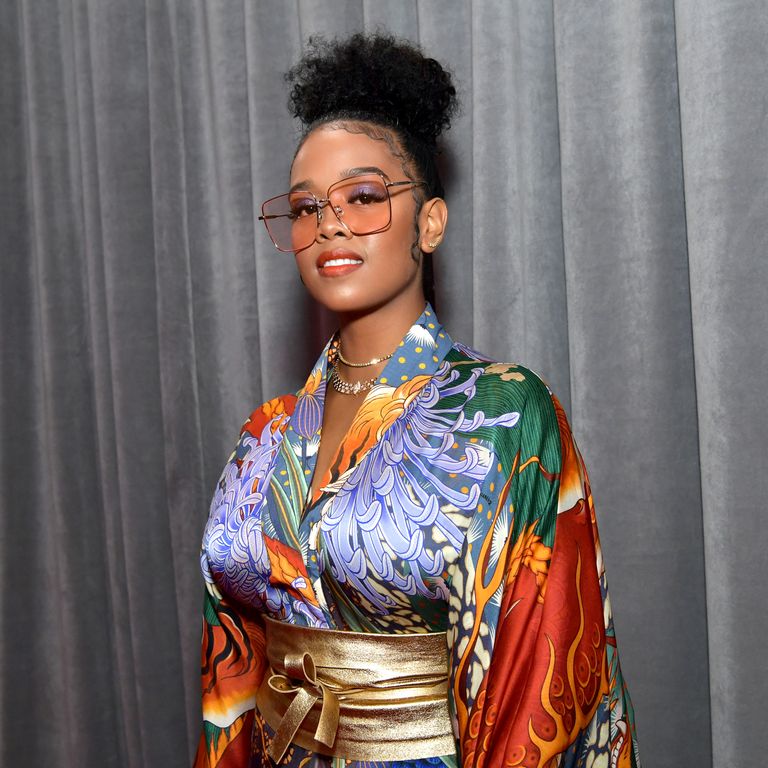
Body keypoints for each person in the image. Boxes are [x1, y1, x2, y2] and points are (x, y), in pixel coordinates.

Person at [194, 33, 640, 768]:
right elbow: (230, 678)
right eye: (305, 208)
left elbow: (538, 682)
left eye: (364, 197)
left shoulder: (503, 415)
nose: (329, 224)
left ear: (429, 223)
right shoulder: (264, 434)